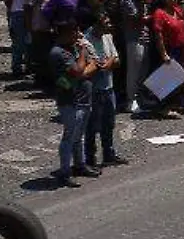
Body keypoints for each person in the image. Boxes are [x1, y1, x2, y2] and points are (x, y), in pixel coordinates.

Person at [47, 21, 98, 186]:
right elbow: (77, 71)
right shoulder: (59, 52)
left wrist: (84, 64)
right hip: (69, 101)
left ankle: (79, 165)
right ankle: (65, 171)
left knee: (79, 136)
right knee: (69, 136)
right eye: (74, 32)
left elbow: (94, 63)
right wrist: (82, 53)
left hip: (82, 97)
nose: (78, 35)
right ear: (65, 33)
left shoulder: (72, 48)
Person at [84, 11, 125, 168]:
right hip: (94, 90)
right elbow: (91, 66)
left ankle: (109, 154)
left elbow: (116, 59)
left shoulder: (107, 36)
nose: (109, 25)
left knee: (109, 123)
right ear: (96, 25)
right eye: (105, 23)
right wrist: (104, 65)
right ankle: (90, 158)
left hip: (109, 87)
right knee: (92, 126)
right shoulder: (86, 41)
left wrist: (108, 64)